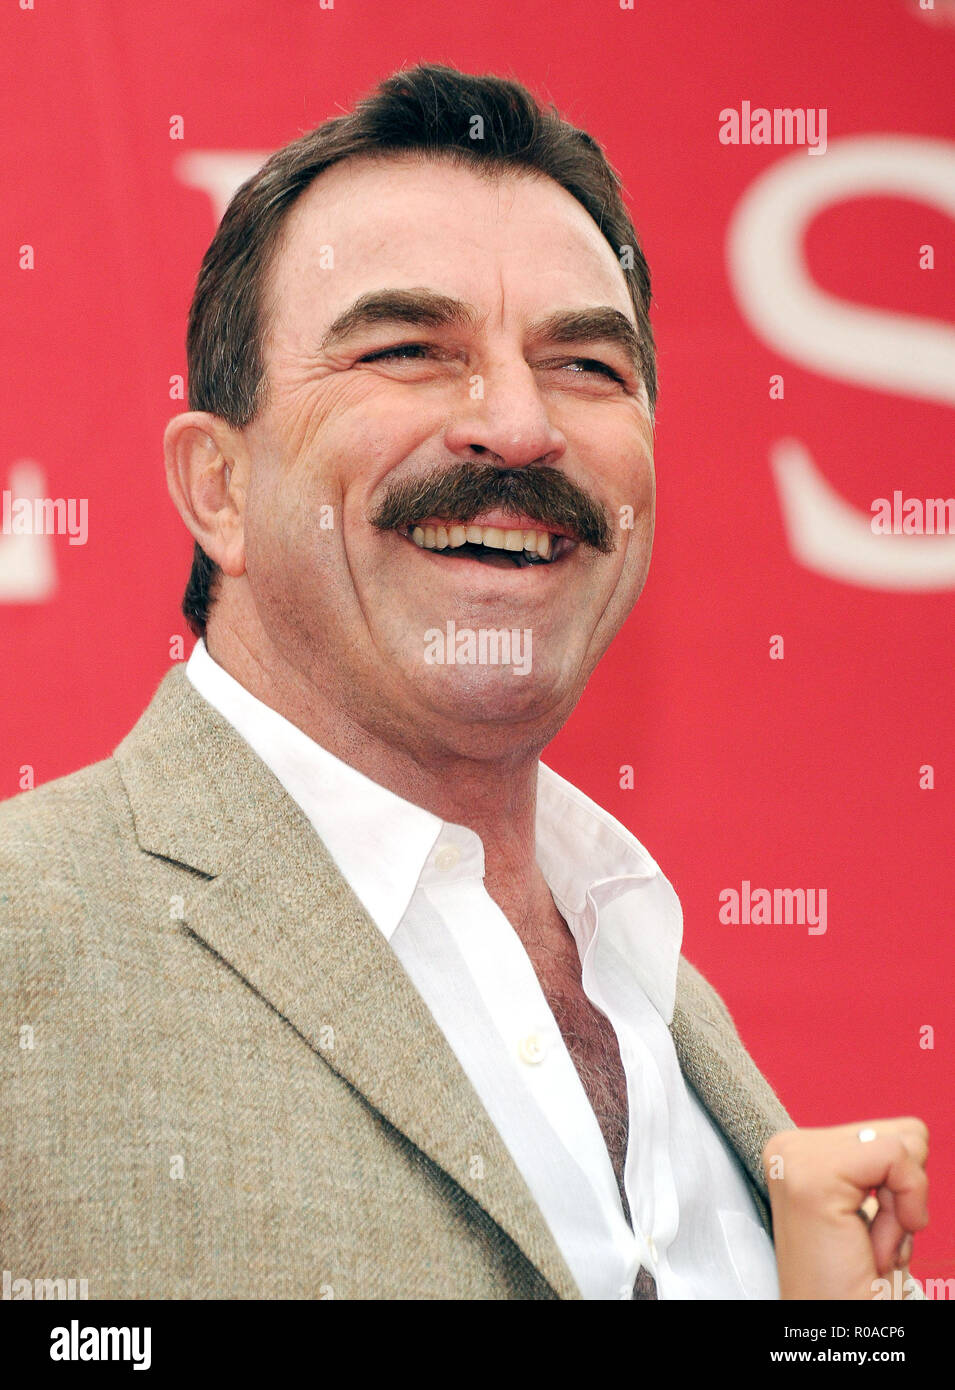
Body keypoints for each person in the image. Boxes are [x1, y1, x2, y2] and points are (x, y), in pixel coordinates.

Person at [0, 63, 928, 1301]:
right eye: (406, 349)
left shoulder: (652, 978)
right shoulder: (28, 940)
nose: (517, 424)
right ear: (217, 489)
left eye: (587, 365)